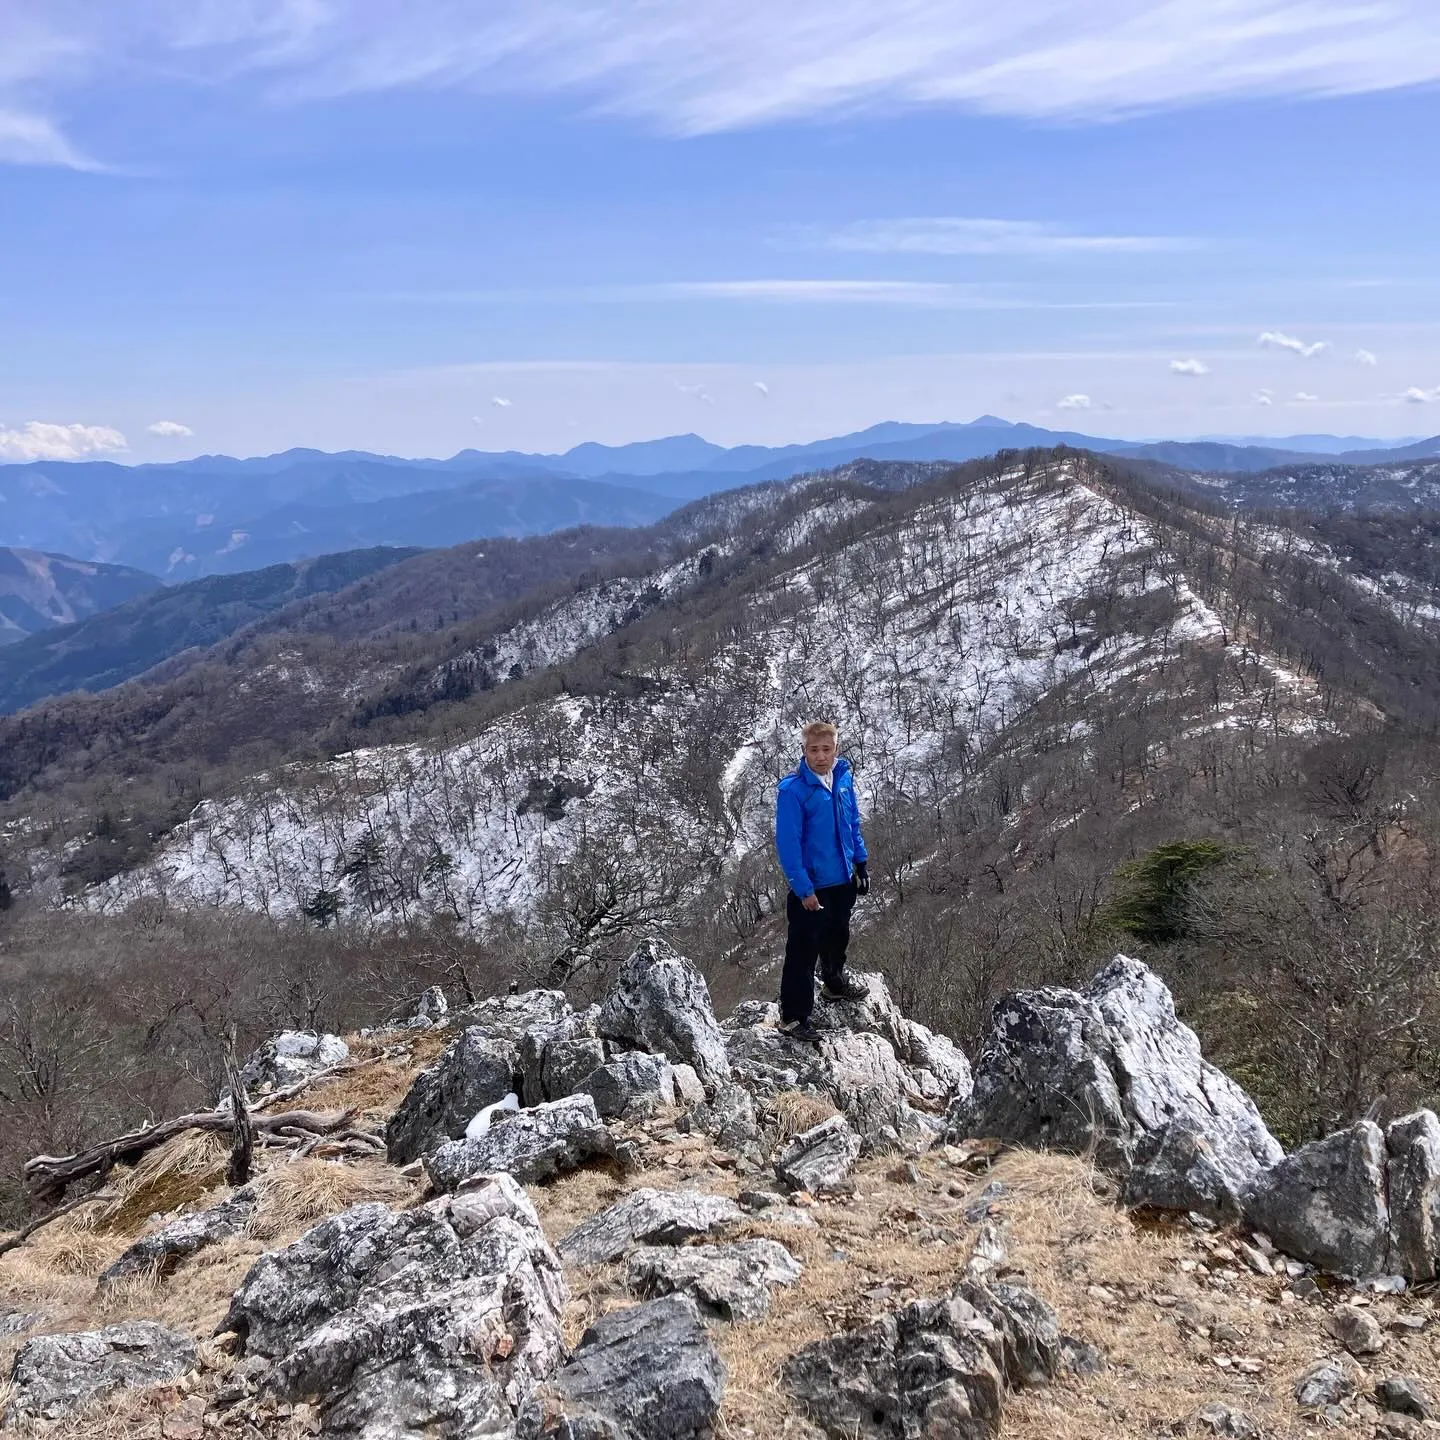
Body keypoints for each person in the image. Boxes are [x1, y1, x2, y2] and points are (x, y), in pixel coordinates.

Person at [773, 720, 870, 1042]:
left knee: (837, 937)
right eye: (813, 750)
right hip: (813, 886)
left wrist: (861, 862)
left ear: (835, 749)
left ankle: (834, 984)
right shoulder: (793, 791)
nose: (820, 756)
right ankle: (793, 1017)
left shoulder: (842, 779)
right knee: (803, 952)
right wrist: (804, 889)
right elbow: (788, 844)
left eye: (826, 749)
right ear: (804, 751)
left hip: (842, 878)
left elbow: (852, 822)